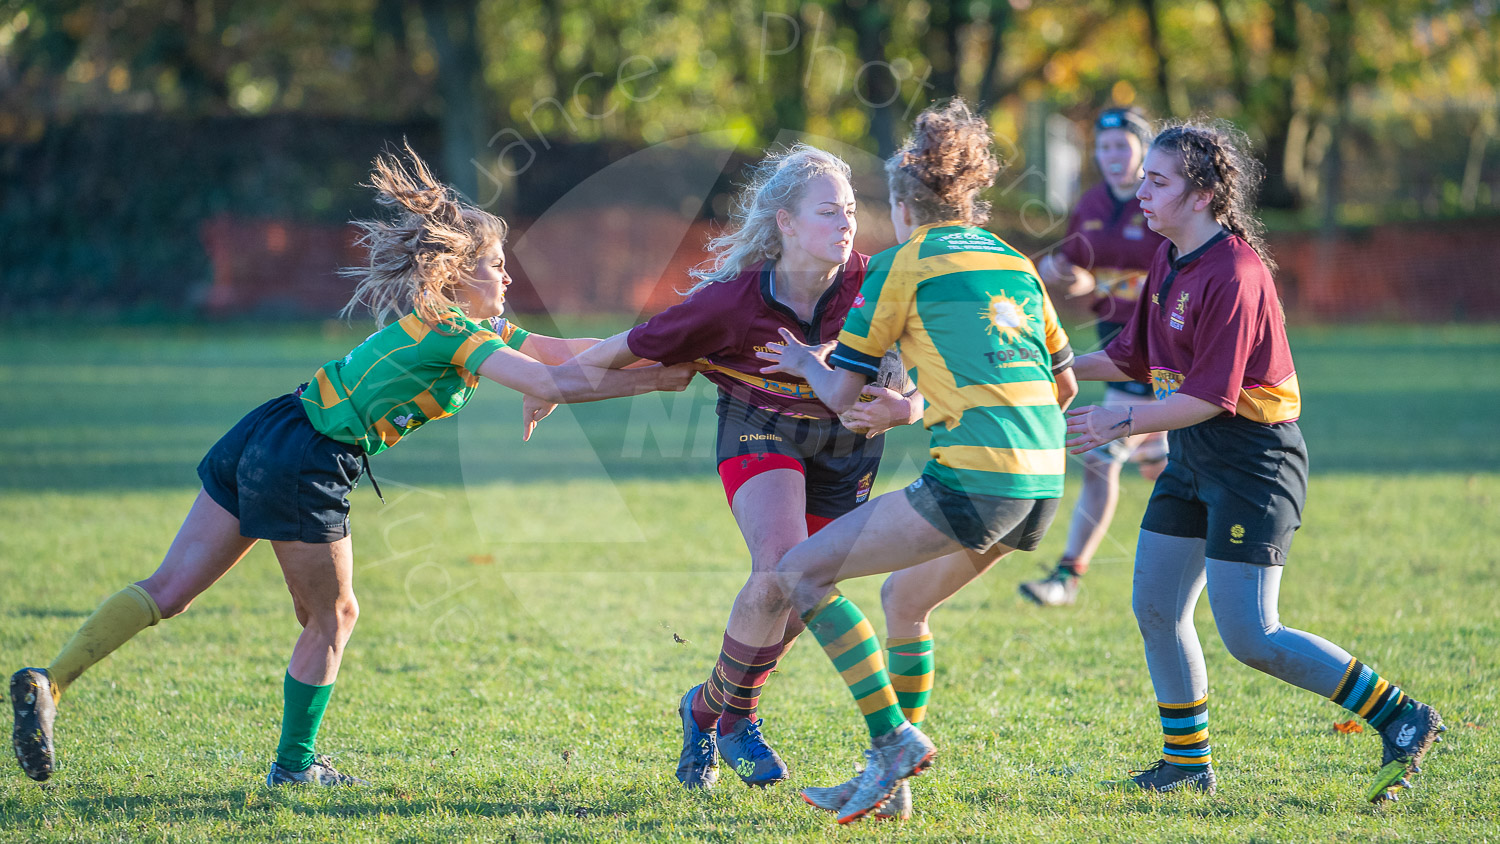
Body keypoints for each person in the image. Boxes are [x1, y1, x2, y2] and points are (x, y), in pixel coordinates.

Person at [8, 145, 698, 787]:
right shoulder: (455, 330)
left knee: (172, 588)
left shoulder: (467, 327)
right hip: (307, 460)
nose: (509, 275)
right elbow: (554, 382)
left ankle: (53, 681)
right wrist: (652, 381)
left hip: (270, 427)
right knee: (334, 616)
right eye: (496, 265)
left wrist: (657, 350)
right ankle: (294, 768)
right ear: (459, 274)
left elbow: (561, 355)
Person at [1062, 120, 1444, 801]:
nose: (1141, 192)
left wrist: (1116, 418)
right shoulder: (1170, 256)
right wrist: (1051, 364)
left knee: (1253, 636)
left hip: (1253, 463)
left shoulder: (1237, 273)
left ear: (1204, 193)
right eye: (1143, 179)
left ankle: (1402, 716)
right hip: (1192, 457)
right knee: (1155, 605)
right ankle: (1186, 764)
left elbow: (1209, 396)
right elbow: (1132, 354)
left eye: (1158, 181)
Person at [528, 144, 923, 797]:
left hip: (848, 450)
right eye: (828, 212)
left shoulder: (876, 285)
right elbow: (627, 347)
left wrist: (904, 408)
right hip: (759, 431)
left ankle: (708, 709)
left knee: (799, 597)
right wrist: (551, 384)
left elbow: (946, 376)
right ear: (786, 224)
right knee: (779, 566)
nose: (846, 223)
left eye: (850, 210)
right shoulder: (731, 303)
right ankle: (737, 720)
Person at [758, 99, 1077, 823]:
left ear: (903, 204)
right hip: (1043, 481)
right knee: (905, 604)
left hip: (976, 478)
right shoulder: (1013, 263)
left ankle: (892, 742)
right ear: (968, 197)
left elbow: (842, 391)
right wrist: (920, 407)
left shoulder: (901, 266)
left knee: (799, 572)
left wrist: (809, 362)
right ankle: (894, 785)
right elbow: (1062, 384)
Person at [1019, 106, 1169, 607]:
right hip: (1117, 350)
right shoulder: (1091, 205)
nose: (1111, 156)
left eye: (1121, 146)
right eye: (1104, 148)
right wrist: (1058, 274)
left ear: (1143, 150)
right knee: (1156, 463)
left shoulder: (1164, 202)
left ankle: (1067, 575)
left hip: (1164, 349)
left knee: (1103, 457)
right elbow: (1074, 274)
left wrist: (1097, 286)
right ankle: (1208, 549)